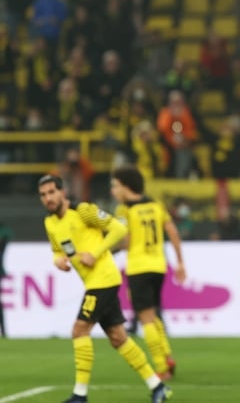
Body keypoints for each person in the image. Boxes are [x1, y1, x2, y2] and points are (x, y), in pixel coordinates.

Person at [37, 174, 172, 403]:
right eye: (43, 195)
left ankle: (80, 395)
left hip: (104, 280)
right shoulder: (50, 223)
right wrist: (58, 260)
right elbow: (57, 250)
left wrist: (96, 253)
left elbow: (119, 229)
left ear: (62, 192)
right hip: (93, 282)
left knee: (79, 330)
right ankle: (157, 386)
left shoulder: (83, 211)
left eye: (52, 192)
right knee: (119, 337)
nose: (48, 198)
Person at [110, 165, 187, 381]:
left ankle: (162, 368)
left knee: (146, 319)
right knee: (152, 314)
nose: (113, 191)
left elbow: (126, 241)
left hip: (138, 267)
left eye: (115, 186)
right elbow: (173, 232)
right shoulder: (156, 206)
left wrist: (107, 250)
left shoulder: (124, 210)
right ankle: (167, 356)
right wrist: (180, 263)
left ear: (126, 186)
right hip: (158, 266)